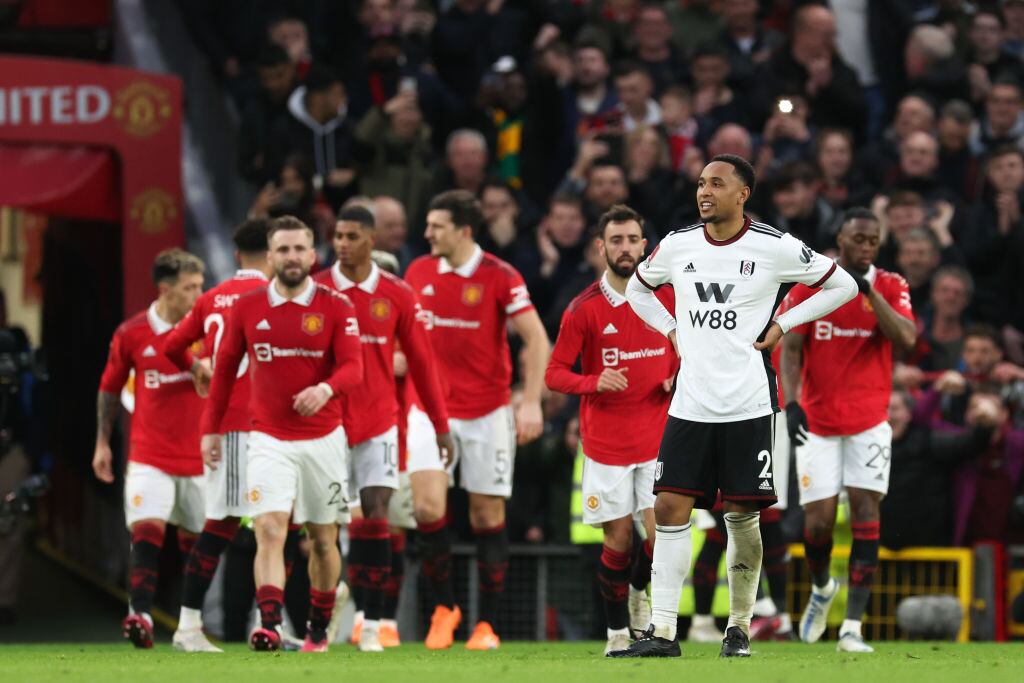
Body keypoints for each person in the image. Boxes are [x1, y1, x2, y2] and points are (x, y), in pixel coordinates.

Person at [611, 154, 858, 658]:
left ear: (743, 193)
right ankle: (662, 632)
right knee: (668, 508)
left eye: (717, 184)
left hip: (748, 403)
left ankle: (739, 629)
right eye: (701, 183)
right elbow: (637, 289)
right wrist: (671, 330)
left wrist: (785, 323)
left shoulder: (774, 246)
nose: (705, 192)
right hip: (691, 403)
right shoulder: (678, 245)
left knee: (741, 518)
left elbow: (844, 285)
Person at [199, 216, 364, 652]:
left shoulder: (336, 306)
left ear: (313, 256)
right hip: (268, 438)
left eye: (299, 249)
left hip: (324, 438)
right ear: (269, 258)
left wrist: (324, 388)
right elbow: (223, 373)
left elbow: (353, 367)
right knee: (270, 528)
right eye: (283, 250)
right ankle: (269, 625)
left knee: (323, 541)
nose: (292, 257)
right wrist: (209, 430)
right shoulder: (247, 308)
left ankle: (317, 627)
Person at [404, 190, 551, 650]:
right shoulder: (418, 271)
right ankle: (443, 609)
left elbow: (536, 338)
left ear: (464, 231)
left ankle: (486, 624)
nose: (427, 233)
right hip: (429, 409)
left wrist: (529, 402)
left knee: (486, 514)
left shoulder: (500, 276)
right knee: (428, 508)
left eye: (436, 226)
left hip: (487, 410)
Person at [315, 206, 453, 651]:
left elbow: (423, 365)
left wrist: (440, 425)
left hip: (379, 422)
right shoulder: (315, 289)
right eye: (337, 235)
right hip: (326, 425)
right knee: (324, 527)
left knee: (376, 515)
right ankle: (322, 614)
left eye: (352, 235)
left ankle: (371, 622)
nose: (342, 243)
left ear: (372, 240)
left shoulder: (396, 293)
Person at [780, 207, 917, 653]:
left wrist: (870, 293)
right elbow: (791, 346)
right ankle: (822, 587)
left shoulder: (892, 285)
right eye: (857, 239)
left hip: (869, 423)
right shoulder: (809, 286)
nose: (865, 247)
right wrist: (792, 403)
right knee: (816, 524)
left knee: (865, 510)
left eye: (872, 241)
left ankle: (852, 628)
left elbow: (907, 338)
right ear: (840, 239)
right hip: (818, 423)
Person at [544, 205, 677, 656]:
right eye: (616, 240)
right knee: (618, 542)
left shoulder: (667, 299)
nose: (625, 248)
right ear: (601, 247)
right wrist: (592, 381)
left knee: (660, 541)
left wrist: (677, 375)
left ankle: (640, 596)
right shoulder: (584, 308)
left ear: (645, 246)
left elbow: (691, 349)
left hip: (658, 440)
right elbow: (555, 373)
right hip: (605, 446)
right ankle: (617, 634)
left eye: (632, 240)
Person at [161, 219, 276, 652]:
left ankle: (272, 624)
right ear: (272, 251)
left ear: (234, 255)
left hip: (235, 425)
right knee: (230, 525)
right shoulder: (272, 297)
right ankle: (190, 628)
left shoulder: (211, 298)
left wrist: (196, 368)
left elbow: (172, 345)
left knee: (266, 525)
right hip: (250, 426)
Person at [92, 249, 207, 649]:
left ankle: (190, 625)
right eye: (190, 287)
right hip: (150, 455)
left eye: (200, 285)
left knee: (198, 545)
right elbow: (109, 387)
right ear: (165, 289)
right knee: (146, 533)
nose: (198, 294)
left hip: (200, 459)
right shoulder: (133, 333)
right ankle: (138, 614)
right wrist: (103, 442)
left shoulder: (210, 330)